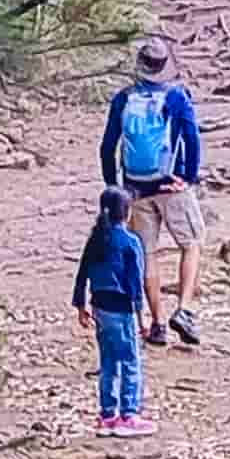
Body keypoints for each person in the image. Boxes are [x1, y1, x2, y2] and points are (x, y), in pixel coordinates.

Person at [98, 36, 208, 346]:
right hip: (171, 185)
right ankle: (184, 310)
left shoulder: (123, 99)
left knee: (147, 254)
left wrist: (114, 187)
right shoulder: (177, 97)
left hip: (135, 188)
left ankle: (158, 324)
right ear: (164, 67)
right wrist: (188, 177)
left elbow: (107, 146)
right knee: (192, 243)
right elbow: (192, 138)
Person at [70, 185, 155, 437]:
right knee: (130, 361)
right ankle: (129, 414)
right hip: (121, 309)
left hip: (99, 307)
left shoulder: (95, 240)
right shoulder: (130, 242)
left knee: (108, 362)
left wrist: (81, 307)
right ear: (127, 213)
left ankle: (107, 415)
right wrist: (142, 318)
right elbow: (135, 284)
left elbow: (82, 274)